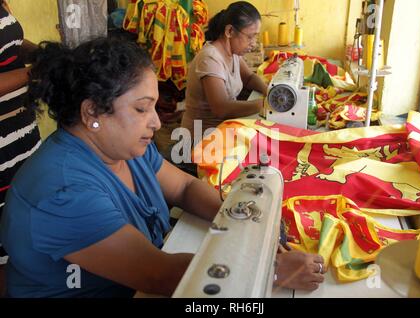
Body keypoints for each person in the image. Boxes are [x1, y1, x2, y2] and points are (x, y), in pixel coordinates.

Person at [0, 38, 325, 298]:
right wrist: (273, 269)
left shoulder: (123, 148)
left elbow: (183, 187)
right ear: (92, 113)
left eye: (153, 106)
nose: (156, 122)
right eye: (142, 109)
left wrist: (242, 222)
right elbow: (160, 274)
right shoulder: (63, 192)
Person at [0, 0, 41, 296]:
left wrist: (43, 53)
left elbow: (10, 44)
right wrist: (34, 72)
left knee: (27, 215)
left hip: (20, 130)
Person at [181, 1, 268, 140]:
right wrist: (264, 104)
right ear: (229, 31)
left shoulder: (232, 53)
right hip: (200, 140)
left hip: (222, 131)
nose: (254, 43)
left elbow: (249, 78)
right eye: (250, 36)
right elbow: (221, 108)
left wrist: (268, 91)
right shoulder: (210, 59)